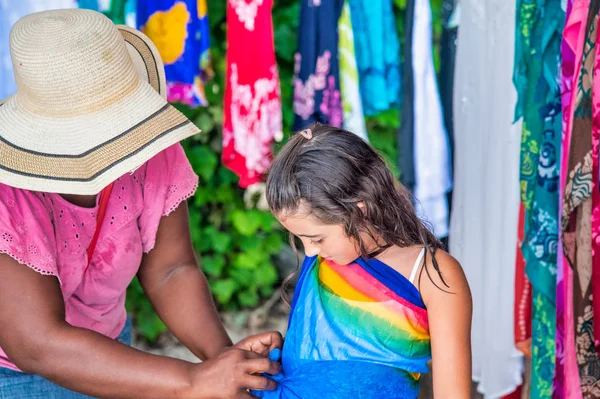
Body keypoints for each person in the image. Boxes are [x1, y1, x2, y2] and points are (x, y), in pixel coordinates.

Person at [0, 9, 281, 399]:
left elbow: (171, 269)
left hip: (111, 347)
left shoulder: (149, 151)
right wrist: (194, 381)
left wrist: (226, 363)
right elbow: (35, 343)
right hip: (12, 375)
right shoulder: (8, 192)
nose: (118, 144)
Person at [257, 124, 473, 398]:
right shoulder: (325, 261)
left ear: (359, 210)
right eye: (299, 239)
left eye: (317, 238)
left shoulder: (431, 274)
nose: (309, 252)